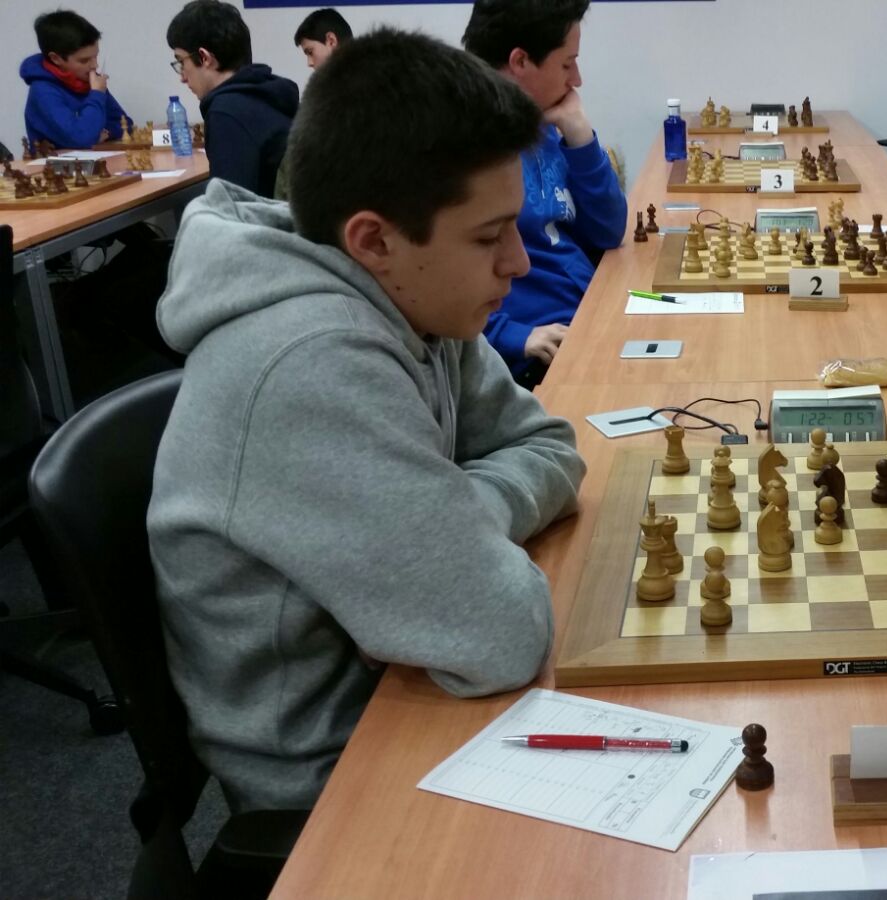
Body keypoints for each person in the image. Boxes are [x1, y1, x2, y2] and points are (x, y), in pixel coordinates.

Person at [147, 28, 586, 813]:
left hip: (415, 686)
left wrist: (453, 518)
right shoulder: (312, 362)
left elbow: (549, 446)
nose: (517, 263)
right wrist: (450, 543)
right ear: (374, 239)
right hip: (333, 780)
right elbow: (501, 634)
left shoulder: (417, 297)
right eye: (489, 236)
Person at [463, 0, 626, 386]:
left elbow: (608, 231)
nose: (577, 80)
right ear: (520, 61)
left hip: (588, 315)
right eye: (568, 64)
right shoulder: (463, 147)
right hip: (532, 359)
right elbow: (427, 284)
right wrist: (512, 335)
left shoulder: (543, 123)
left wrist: (580, 135)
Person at [167, 0, 299, 195]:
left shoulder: (226, 113)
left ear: (205, 57)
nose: (182, 77)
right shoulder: (270, 93)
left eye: (181, 62)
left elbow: (229, 207)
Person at [21, 10, 129, 149]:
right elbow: (82, 137)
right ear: (56, 58)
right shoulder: (43, 92)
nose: (95, 65)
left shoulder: (90, 82)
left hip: (97, 159)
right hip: (58, 163)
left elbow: (125, 124)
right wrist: (96, 95)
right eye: (84, 60)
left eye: (96, 56)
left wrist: (105, 133)